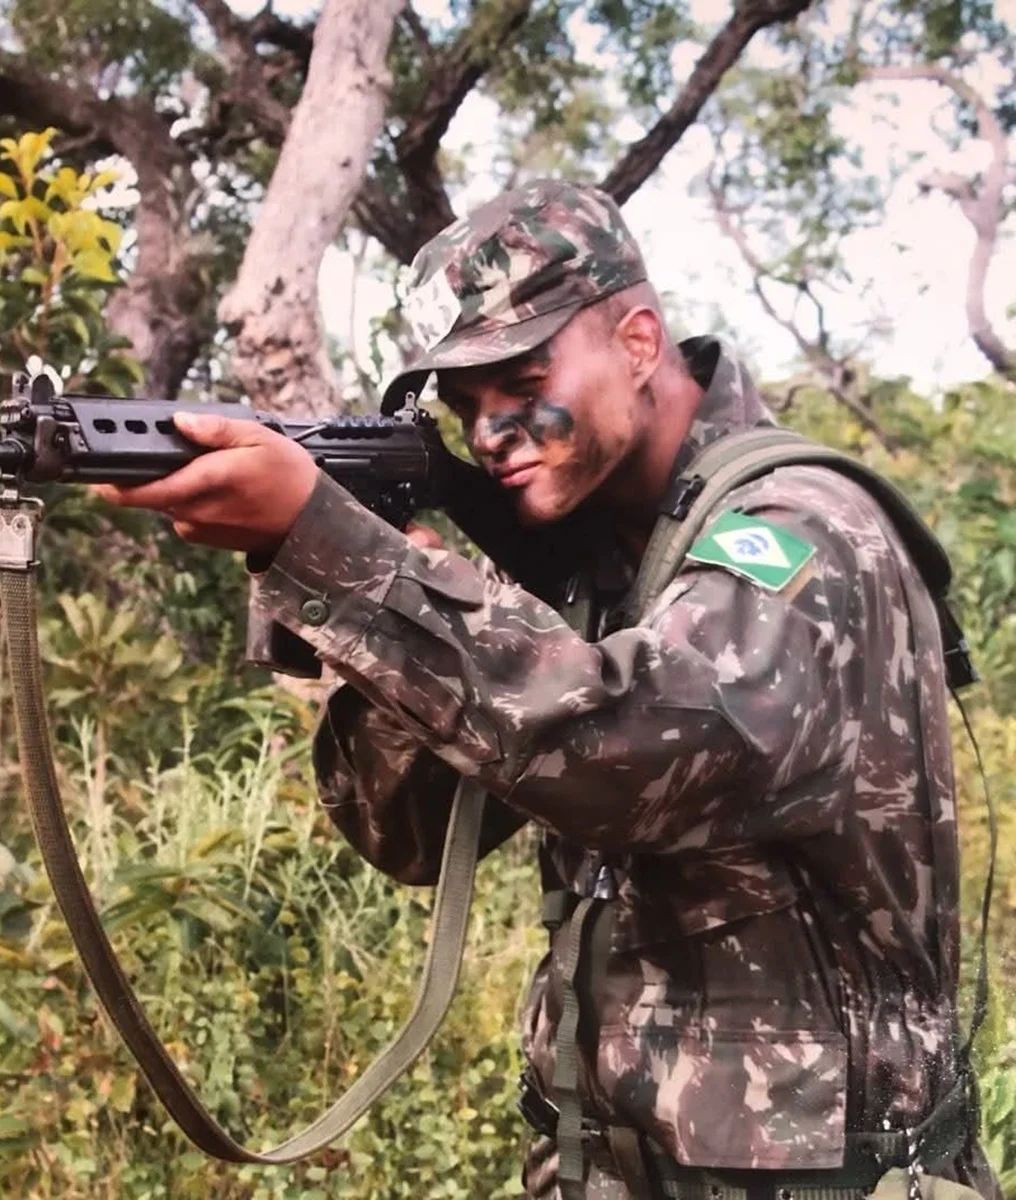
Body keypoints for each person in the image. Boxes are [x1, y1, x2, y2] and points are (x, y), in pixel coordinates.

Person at [93, 180, 997, 1200]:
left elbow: (633, 753)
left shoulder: (803, 530)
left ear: (641, 341)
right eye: (466, 405)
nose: (488, 433)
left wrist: (339, 554)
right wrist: (355, 575)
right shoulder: (590, 558)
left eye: (521, 382)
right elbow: (406, 835)